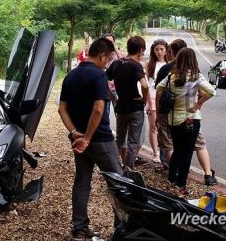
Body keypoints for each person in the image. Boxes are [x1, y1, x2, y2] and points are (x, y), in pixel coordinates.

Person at [58, 37, 123, 240]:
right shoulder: (98, 76)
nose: (108, 62)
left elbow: (61, 110)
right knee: (118, 183)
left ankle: (80, 228)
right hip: (101, 140)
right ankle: (123, 229)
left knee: (82, 181)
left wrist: (74, 132)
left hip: (80, 142)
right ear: (102, 55)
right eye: (109, 58)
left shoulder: (70, 76)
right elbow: (98, 109)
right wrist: (86, 137)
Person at [156, 39, 218, 186]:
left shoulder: (171, 76)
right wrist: (197, 104)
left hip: (173, 119)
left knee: (177, 150)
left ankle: (172, 178)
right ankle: (181, 184)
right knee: (187, 153)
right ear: (192, 60)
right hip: (191, 119)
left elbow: (158, 88)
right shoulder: (196, 76)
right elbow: (211, 91)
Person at [107, 36, 149, 169]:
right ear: (140, 50)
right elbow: (145, 85)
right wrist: (144, 98)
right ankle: (128, 170)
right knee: (132, 142)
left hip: (121, 107)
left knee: (119, 139)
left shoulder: (116, 63)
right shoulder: (136, 65)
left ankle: (113, 166)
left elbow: (104, 79)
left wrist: (113, 97)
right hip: (135, 108)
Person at [144, 39, 169, 163]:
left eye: (162, 49)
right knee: (154, 126)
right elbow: (147, 84)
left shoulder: (169, 64)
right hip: (153, 96)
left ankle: (166, 153)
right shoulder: (149, 64)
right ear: (153, 51)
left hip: (166, 97)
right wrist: (148, 102)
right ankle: (155, 153)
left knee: (164, 127)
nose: (159, 52)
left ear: (166, 50)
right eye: (157, 49)